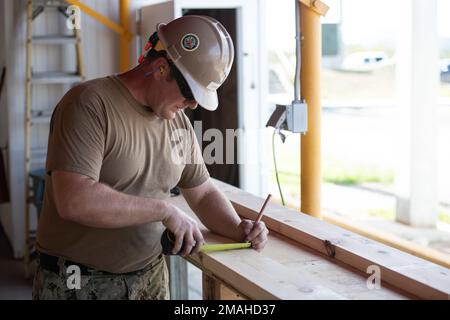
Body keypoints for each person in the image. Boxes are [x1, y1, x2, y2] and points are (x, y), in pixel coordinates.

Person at [32, 15, 269, 300]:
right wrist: (163, 210)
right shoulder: (89, 104)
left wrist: (238, 228)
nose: (192, 105)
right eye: (190, 93)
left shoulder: (177, 123)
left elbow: (203, 193)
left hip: (150, 277)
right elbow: (74, 200)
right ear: (160, 68)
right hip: (80, 283)